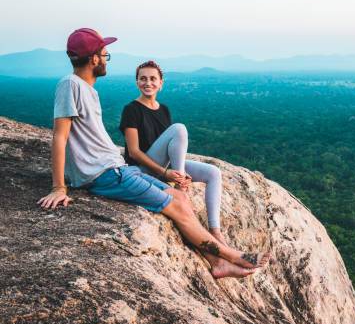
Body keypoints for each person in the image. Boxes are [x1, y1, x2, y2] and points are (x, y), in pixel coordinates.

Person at [37, 28, 270, 279]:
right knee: (176, 207)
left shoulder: (86, 89)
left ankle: (217, 262)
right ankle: (234, 256)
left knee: (182, 200)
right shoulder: (70, 85)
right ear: (94, 59)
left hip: (118, 170)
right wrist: (59, 186)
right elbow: (60, 136)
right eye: (104, 54)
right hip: (105, 174)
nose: (106, 59)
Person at [119, 60, 227, 244]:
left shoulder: (164, 110)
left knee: (213, 173)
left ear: (161, 83)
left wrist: (172, 170)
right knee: (179, 128)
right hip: (141, 171)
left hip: (164, 167)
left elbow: (170, 147)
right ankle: (180, 187)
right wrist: (166, 173)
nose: (148, 83)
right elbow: (134, 152)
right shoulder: (131, 110)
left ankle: (215, 231)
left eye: (153, 79)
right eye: (143, 78)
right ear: (137, 82)